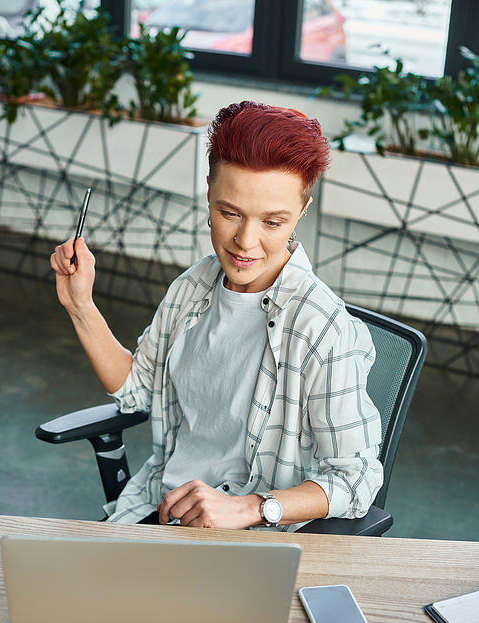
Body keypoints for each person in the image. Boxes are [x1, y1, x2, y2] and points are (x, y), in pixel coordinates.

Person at [51, 100, 383, 531]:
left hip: (249, 538)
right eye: (230, 213)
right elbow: (136, 390)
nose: (246, 242)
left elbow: (357, 479)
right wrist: (80, 305)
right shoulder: (193, 287)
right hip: (159, 508)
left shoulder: (322, 328)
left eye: (273, 222)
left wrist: (252, 507)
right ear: (208, 193)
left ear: (301, 211)